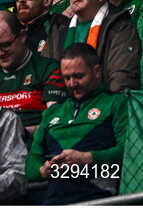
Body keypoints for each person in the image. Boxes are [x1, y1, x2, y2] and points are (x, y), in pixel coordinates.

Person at [25, 43, 126, 204]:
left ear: (97, 71)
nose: (72, 83)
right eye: (66, 78)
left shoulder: (117, 103)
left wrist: (87, 158)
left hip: (99, 199)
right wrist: (44, 170)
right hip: (53, 202)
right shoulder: (53, 112)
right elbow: (31, 163)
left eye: (78, 76)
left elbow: (128, 151)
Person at [45, 0, 141, 92]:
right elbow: (46, 73)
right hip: (62, 104)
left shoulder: (120, 27)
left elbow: (121, 80)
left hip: (103, 104)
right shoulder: (59, 30)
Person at [0, 10, 66, 134]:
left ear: (22, 36)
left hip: (33, 148)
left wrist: (20, 133)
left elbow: (55, 122)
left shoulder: (48, 69)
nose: (1, 53)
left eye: (5, 45)